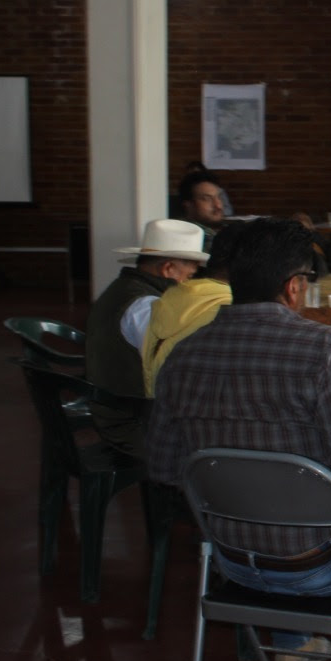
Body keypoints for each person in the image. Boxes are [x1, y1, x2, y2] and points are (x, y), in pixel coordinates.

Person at [148, 218, 331, 661]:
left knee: (277, 497)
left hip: (232, 563)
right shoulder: (323, 350)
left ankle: (291, 645)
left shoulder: (182, 357)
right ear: (293, 286)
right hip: (319, 571)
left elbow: (165, 468)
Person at [85, 219, 207, 458]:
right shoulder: (146, 306)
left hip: (119, 411)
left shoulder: (125, 288)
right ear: (169, 269)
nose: (190, 283)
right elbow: (173, 364)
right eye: (189, 275)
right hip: (134, 424)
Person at [140, 221, 244, 396]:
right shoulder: (227, 309)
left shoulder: (170, 299)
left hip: (160, 413)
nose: (189, 281)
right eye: (191, 275)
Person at [177, 170, 228, 248]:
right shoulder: (182, 235)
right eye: (207, 199)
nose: (218, 205)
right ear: (188, 204)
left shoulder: (225, 231)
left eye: (219, 197)